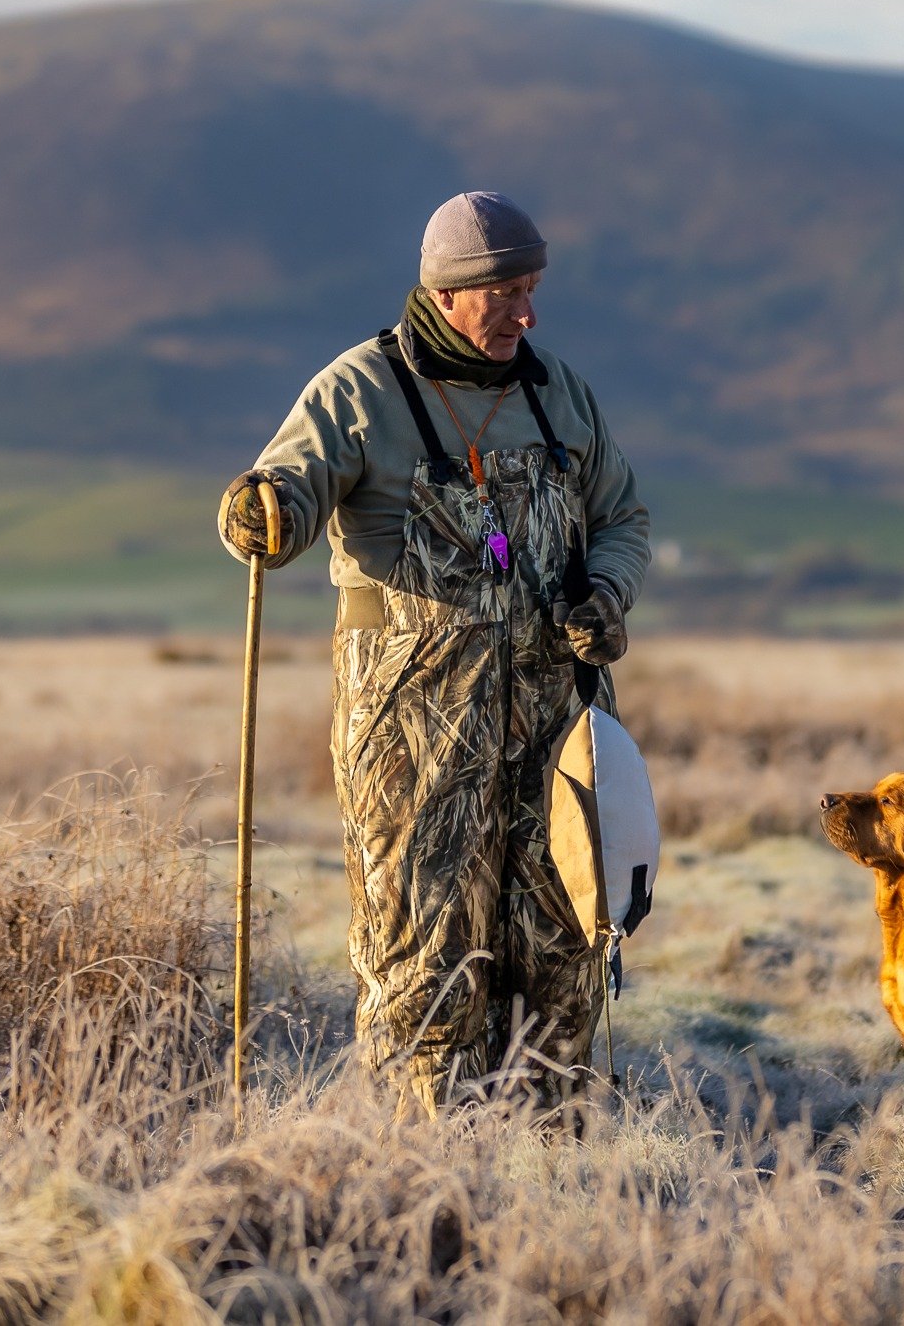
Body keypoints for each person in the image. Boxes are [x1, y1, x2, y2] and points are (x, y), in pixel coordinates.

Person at [217, 191, 650, 1118]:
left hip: (557, 733)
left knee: (564, 949)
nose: (527, 314)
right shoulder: (358, 391)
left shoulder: (559, 394)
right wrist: (265, 511)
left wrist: (606, 595)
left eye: (533, 290)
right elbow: (281, 497)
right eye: (507, 293)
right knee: (424, 959)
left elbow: (620, 519)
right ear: (449, 292)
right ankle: (424, 1179)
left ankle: (556, 1164)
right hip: (413, 742)